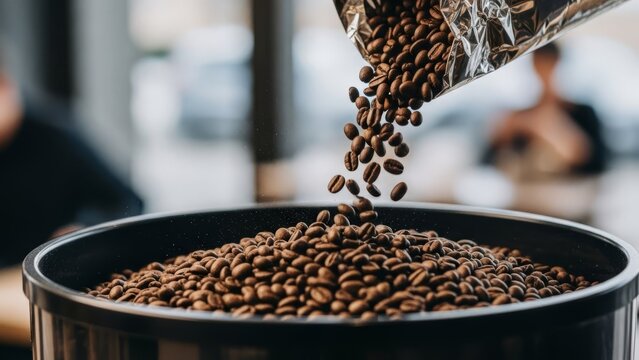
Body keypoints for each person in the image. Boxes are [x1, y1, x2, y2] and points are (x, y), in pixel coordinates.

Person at [0, 44, 144, 266]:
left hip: (51, 277)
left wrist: (81, 230)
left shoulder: (56, 136)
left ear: (6, 87)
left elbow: (126, 202)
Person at [484, 42, 607, 220]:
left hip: (569, 207)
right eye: (539, 64)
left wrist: (551, 131)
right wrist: (500, 136)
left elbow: (596, 163)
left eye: (548, 64)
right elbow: (490, 161)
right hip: (525, 204)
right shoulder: (519, 117)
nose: (544, 72)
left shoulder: (583, 113)